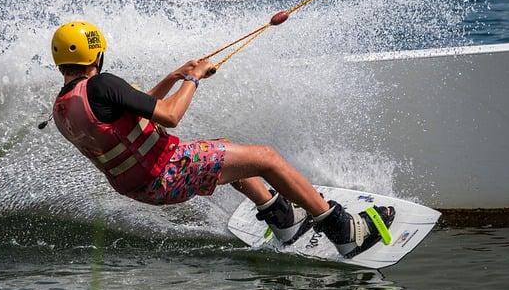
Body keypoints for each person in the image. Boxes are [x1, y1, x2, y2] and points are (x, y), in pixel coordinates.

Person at [49, 21, 395, 258]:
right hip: (166, 172)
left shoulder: (64, 107)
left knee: (228, 151)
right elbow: (169, 115)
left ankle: (283, 221)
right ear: (97, 55)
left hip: (142, 187)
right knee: (266, 157)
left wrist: (175, 75)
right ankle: (344, 231)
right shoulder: (103, 84)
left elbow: (138, 113)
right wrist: (194, 79)